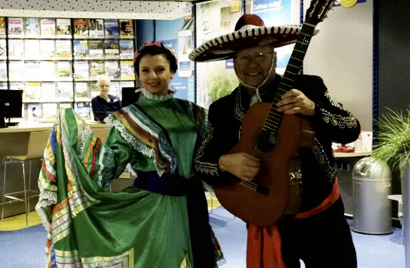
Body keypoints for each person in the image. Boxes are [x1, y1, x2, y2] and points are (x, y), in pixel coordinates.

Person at [190, 14, 360, 268]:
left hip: (322, 217)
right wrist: (226, 163)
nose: (252, 64)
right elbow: (200, 163)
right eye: (243, 57)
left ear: (274, 56)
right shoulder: (222, 110)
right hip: (266, 217)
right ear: (233, 61)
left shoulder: (308, 87)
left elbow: (350, 129)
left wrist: (314, 109)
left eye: (260, 55)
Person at [36, 41, 224, 267]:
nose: (152, 76)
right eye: (145, 71)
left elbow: (207, 155)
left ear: (172, 72)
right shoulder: (127, 118)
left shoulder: (193, 112)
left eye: (160, 69)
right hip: (153, 210)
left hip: (192, 201)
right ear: (137, 75)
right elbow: (110, 164)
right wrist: (72, 139)